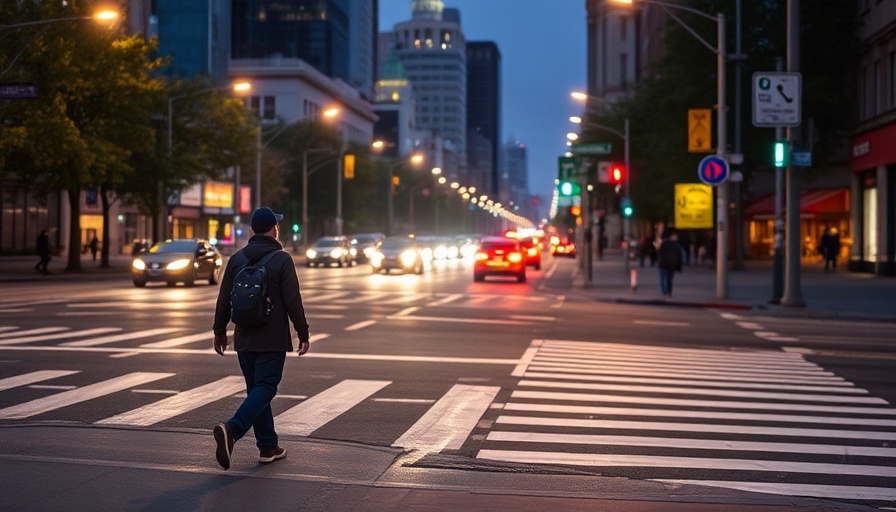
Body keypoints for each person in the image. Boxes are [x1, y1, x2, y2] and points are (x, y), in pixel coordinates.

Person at [211, 207, 311, 470]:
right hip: (272, 336)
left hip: (244, 336)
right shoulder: (282, 260)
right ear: (273, 229)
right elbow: (293, 300)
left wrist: (219, 332)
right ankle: (232, 430)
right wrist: (303, 332)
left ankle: (268, 446)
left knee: (257, 389)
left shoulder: (237, 259)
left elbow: (224, 299)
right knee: (266, 387)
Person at [657, 229, 683, 300]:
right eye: (675, 236)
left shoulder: (663, 243)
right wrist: (679, 267)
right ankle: (669, 293)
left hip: (663, 264)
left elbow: (658, 252)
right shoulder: (676, 245)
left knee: (663, 279)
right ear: (672, 236)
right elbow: (679, 257)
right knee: (669, 280)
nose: (676, 237)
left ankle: (665, 293)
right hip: (672, 264)